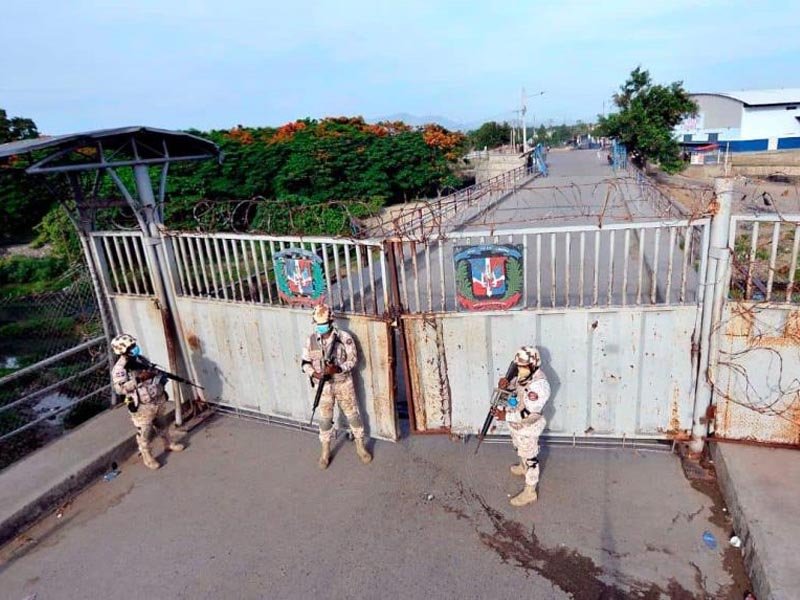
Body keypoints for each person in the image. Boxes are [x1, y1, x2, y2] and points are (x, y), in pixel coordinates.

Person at [301, 304, 372, 469]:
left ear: (331, 320)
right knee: (325, 420)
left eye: (323, 323)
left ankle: (360, 447)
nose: (321, 327)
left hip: (343, 383)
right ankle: (325, 451)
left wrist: (338, 368)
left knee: (353, 415)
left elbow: (353, 360)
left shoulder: (344, 337)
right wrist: (315, 374)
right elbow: (304, 362)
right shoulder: (311, 340)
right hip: (323, 386)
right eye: (318, 324)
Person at [111, 334, 184, 470]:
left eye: (134, 345)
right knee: (145, 431)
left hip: (155, 398)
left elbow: (152, 372)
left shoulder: (140, 359)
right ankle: (147, 456)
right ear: (122, 350)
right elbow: (120, 388)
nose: (134, 348)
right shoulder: (120, 369)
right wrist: (139, 379)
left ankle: (168, 443)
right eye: (131, 347)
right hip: (141, 405)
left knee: (162, 424)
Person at [494, 346, 550, 506]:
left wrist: (506, 416)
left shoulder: (539, 386)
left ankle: (530, 491)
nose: (520, 369)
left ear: (534, 365)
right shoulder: (524, 375)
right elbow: (516, 392)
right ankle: (522, 466)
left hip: (527, 428)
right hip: (515, 424)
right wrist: (505, 385)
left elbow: (530, 415)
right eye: (518, 365)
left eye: (523, 366)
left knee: (530, 457)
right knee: (519, 447)